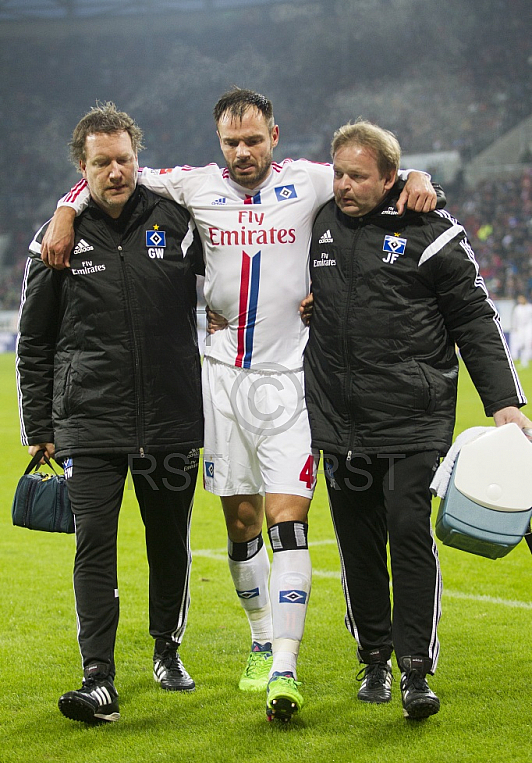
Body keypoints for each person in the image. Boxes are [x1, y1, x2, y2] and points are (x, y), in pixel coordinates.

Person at [40, 88, 437, 722]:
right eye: (231, 142)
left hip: (290, 380)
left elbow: (382, 174)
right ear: (218, 144)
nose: (243, 152)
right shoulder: (192, 185)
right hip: (221, 379)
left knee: (288, 521)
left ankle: (285, 665)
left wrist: (419, 176)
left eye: (253, 140)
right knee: (241, 525)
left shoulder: (310, 180)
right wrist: (65, 208)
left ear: (274, 136)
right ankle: (258, 641)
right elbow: (115, 174)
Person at [301, 120, 530, 720]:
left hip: (414, 416)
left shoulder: (433, 233)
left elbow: (477, 320)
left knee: (407, 532)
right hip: (338, 415)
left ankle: (415, 669)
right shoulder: (318, 223)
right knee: (357, 544)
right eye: (340, 174)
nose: (345, 186)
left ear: (390, 178)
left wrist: (504, 401)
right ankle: (373, 658)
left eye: (359, 176)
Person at [17, 102, 204, 725]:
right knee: (93, 541)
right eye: (102, 162)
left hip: (173, 414)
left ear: (136, 159)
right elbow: (35, 340)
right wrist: (39, 428)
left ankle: (166, 648)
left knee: (168, 540)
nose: (116, 171)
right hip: (90, 419)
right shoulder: (56, 242)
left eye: (124, 159)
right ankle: (97, 674)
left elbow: (229, 278)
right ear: (83, 167)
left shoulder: (179, 221)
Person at [510, 294, 532, 368]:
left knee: (527, 344)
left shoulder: (530, 308)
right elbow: (514, 319)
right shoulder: (517, 308)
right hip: (520, 328)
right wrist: (514, 327)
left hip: (528, 328)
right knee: (521, 345)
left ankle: (525, 361)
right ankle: (520, 360)